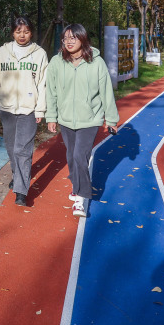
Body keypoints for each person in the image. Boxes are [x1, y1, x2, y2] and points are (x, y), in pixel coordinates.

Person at [45, 23, 119, 218]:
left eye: (73, 38)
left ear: (83, 39)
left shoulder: (97, 62)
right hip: (66, 119)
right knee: (71, 156)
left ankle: (80, 197)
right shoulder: (56, 62)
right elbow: (50, 92)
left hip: (91, 119)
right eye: (65, 38)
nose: (68, 42)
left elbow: (106, 92)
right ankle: (77, 184)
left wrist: (111, 119)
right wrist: (51, 116)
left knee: (80, 155)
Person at [0, 16, 48, 207]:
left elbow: (43, 83)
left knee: (22, 150)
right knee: (11, 147)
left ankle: (21, 191)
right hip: (6, 107)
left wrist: (40, 109)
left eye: (26, 31)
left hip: (28, 108)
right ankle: (18, 175)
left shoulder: (39, 54)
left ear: (31, 32)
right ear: (12, 32)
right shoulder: (3, 51)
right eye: (18, 31)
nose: (22, 35)